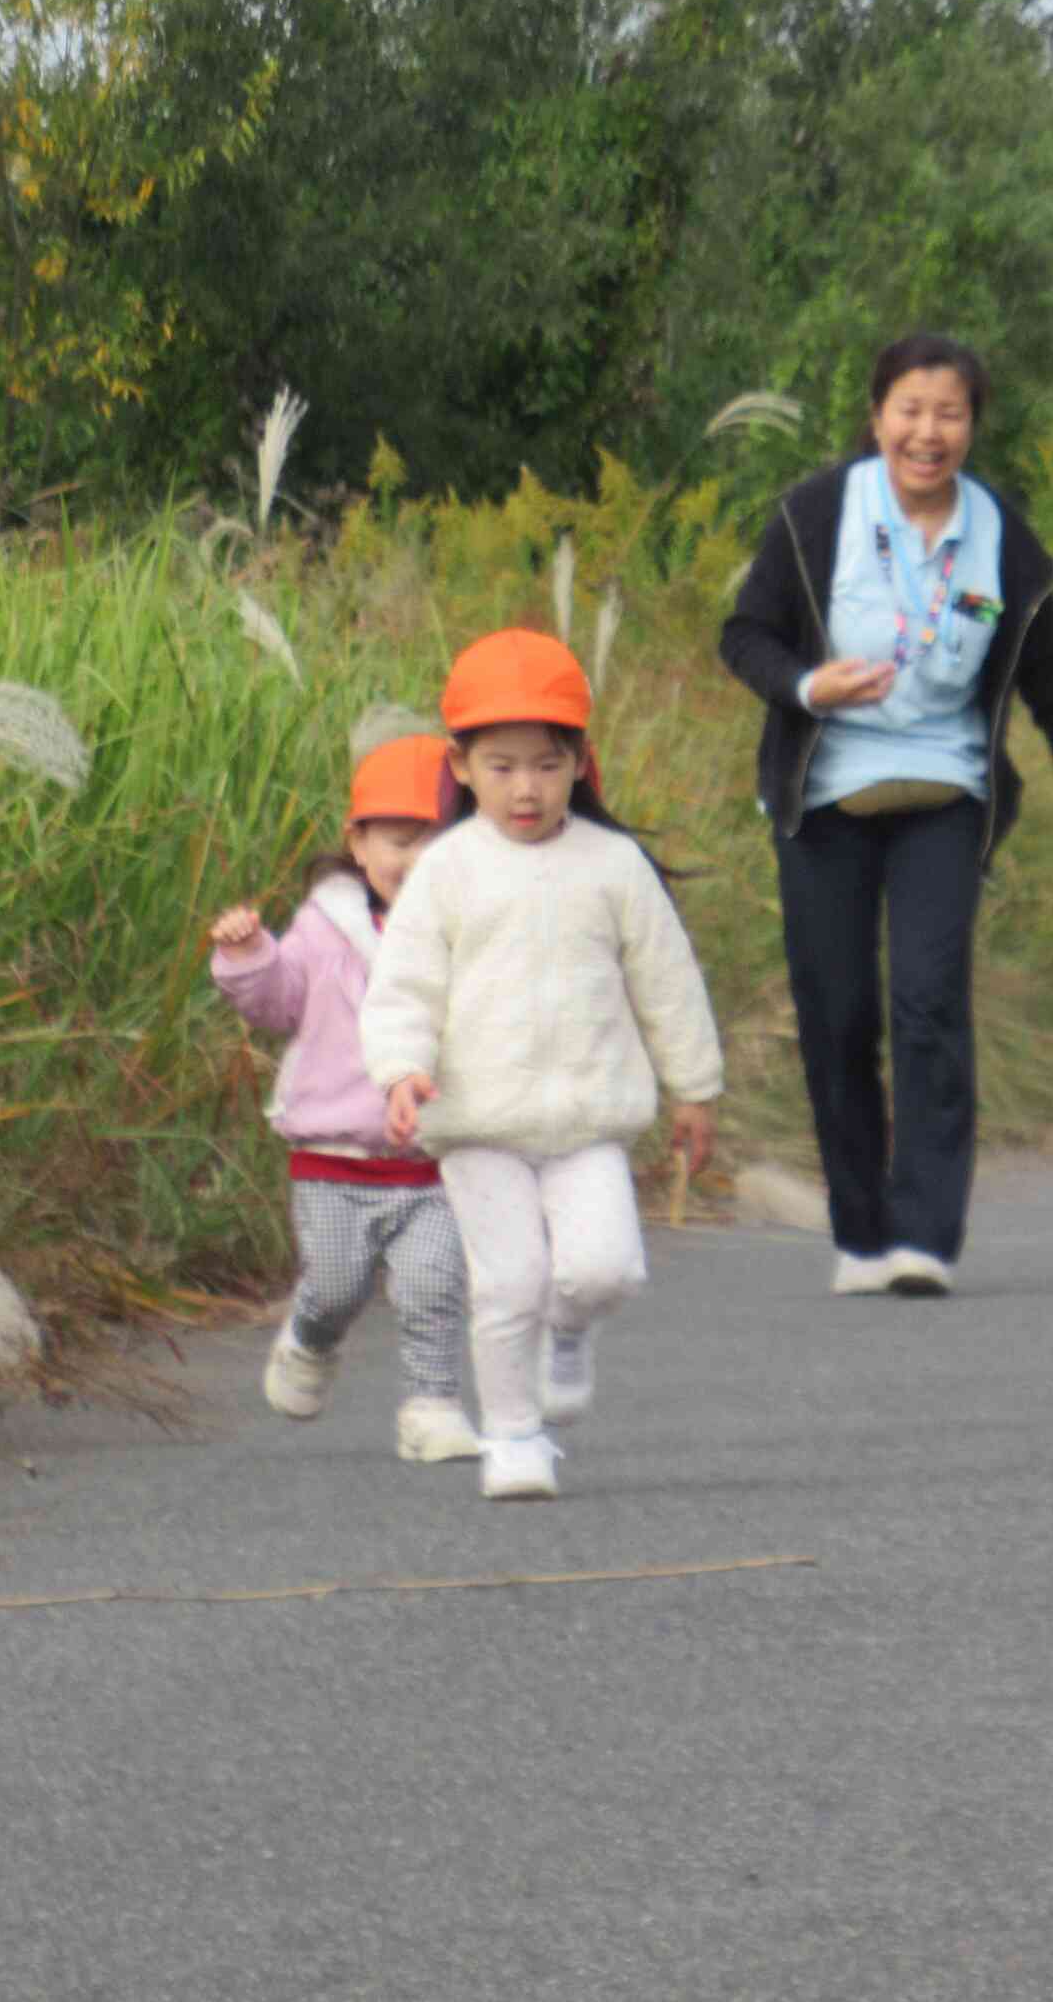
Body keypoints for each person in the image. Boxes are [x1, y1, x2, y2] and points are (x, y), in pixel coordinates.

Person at [718, 333, 1053, 1300]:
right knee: (838, 1009)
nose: (927, 432)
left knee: (929, 998)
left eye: (949, 413)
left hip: (945, 792)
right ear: (877, 416)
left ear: (972, 426)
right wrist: (807, 685)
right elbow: (745, 635)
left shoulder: (1001, 537)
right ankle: (861, 1233)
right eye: (909, 410)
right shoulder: (817, 512)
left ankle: (924, 1235)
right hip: (826, 795)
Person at [364, 631, 723, 1503]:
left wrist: (695, 1088)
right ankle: (514, 1436)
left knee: (604, 1269)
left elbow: (667, 979)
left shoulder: (613, 865)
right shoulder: (447, 869)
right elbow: (404, 982)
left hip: (588, 1119)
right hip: (478, 1121)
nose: (525, 788)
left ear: (579, 764)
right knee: (509, 1280)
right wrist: (401, 1068)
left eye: (546, 765)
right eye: (500, 767)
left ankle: (570, 1327)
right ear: (461, 766)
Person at [209, 732, 481, 1465]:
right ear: (358, 844)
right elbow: (278, 1002)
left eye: (439, 842)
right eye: (400, 840)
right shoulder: (325, 929)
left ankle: (432, 1406)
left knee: (432, 1286)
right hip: (334, 1155)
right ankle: (310, 1337)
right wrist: (249, 955)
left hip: (434, 1157)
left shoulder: (477, 930)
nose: (418, 860)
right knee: (336, 1284)